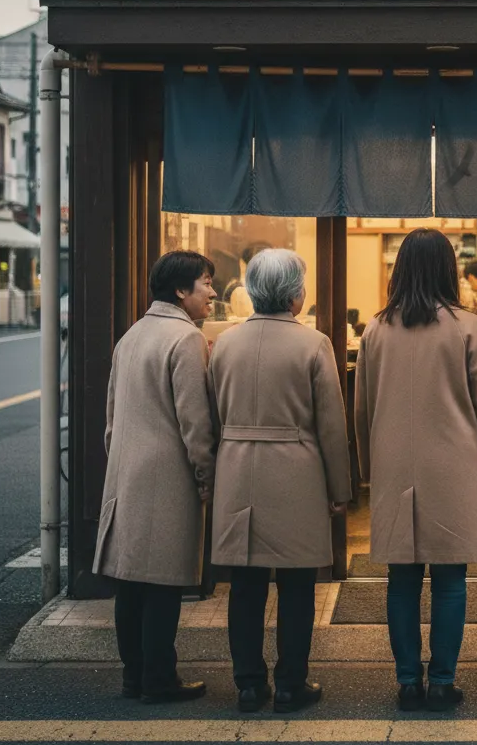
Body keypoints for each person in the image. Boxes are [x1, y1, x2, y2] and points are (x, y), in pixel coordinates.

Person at [355, 229, 477, 713]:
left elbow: (362, 409)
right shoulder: (466, 326)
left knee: (400, 580)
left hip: (394, 468)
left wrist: (368, 469)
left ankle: (407, 682)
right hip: (456, 468)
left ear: (399, 271)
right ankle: (442, 682)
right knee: (450, 580)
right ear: (448, 269)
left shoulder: (376, 330)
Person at [209, 249, 351, 715]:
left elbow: (212, 414)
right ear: (295, 294)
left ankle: (248, 684)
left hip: (236, 468)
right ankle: (291, 683)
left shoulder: (224, 343)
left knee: (245, 586)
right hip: (295, 469)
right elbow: (331, 426)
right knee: (296, 586)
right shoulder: (313, 345)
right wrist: (339, 489)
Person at [93, 251, 217, 704]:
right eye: (206, 282)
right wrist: (206, 476)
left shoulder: (131, 336)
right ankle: (160, 679)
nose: (213, 292)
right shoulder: (185, 339)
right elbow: (195, 422)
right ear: (181, 291)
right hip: (166, 477)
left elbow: (111, 418)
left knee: (131, 584)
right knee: (163, 585)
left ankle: (135, 675)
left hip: (128, 473)